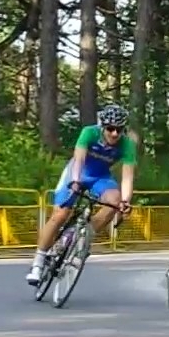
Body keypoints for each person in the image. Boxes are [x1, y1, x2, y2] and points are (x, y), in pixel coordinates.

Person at [28, 103, 137, 286]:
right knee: (60, 214)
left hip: (101, 177)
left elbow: (127, 177)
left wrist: (126, 201)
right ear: (102, 127)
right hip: (77, 172)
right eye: (110, 129)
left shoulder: (127, 145)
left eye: (119, 130)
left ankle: (83, 238)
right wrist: (76, 181)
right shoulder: (89, 132)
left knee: (115, 202)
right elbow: (78, 158)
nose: (115, 134)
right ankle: (38, 264)